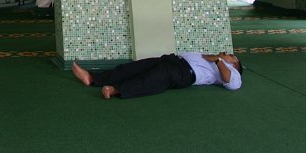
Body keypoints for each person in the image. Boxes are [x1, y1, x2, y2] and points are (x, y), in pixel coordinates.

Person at [71, 51, 243, 99]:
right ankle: (92, 78)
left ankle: (116, 90)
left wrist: (219, 60)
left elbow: (231, 84)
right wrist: (215, 57)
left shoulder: (233, 72)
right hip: (172, 60)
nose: (225, 52)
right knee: (132, 68)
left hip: (183, 73)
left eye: (230, 54)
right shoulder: (214, 57)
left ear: (234, 63)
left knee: (150, 80)